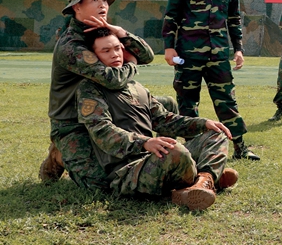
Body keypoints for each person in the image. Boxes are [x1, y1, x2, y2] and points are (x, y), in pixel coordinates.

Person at [77, 28, 238, 211]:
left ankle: (202, 182)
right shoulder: (90, 89)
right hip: (128, 172)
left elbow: (164, 120)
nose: (114, 54)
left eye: (117, 48)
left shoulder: (135, 86)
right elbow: (102, 132)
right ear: (94, 57)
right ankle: (205, 176)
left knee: (216, 133)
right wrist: (144, 142)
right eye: (106, 51)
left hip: (154, 157)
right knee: (176, 151)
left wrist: (203, 123)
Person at [39, 0, 157, 189]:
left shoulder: (104, 33)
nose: (103, 5)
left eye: (104, 0)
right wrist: (131, 63)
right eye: (94, 0)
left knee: (165, 105)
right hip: (73, 123)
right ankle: (59, 155)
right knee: (101, 183)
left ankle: (163, 158)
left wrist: (120, 32)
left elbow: (147, 56)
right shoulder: (71, 45)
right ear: (77, 7)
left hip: (105, 111)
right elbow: (111, 79)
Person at [162, 0, 259, 160]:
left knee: (227, 101)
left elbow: (233, 19)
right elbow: (171, 15)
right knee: (187, 102)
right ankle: (192, 149)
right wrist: (169, 47)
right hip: (188, 54)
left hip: (218, 54)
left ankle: (241, 148)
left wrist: (238, 49)